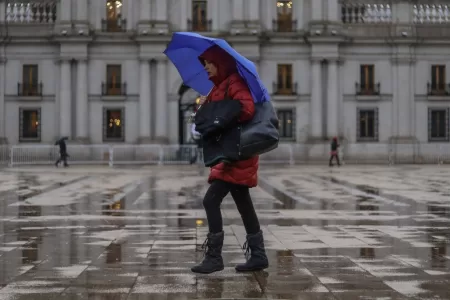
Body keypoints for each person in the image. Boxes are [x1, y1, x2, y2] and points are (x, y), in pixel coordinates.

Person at [191, 45, 268, 274]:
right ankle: (258, 255)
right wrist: (206, 106)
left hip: (236, 153)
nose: (205, 67)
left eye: (209, 62)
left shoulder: (234, 82)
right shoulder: (218, 88)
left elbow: (245, 109)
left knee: (210, 201)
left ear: (220, 62)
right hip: (230, 153)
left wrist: (221, 114)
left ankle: (215, 257)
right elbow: (208, 119)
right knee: (243, 203)